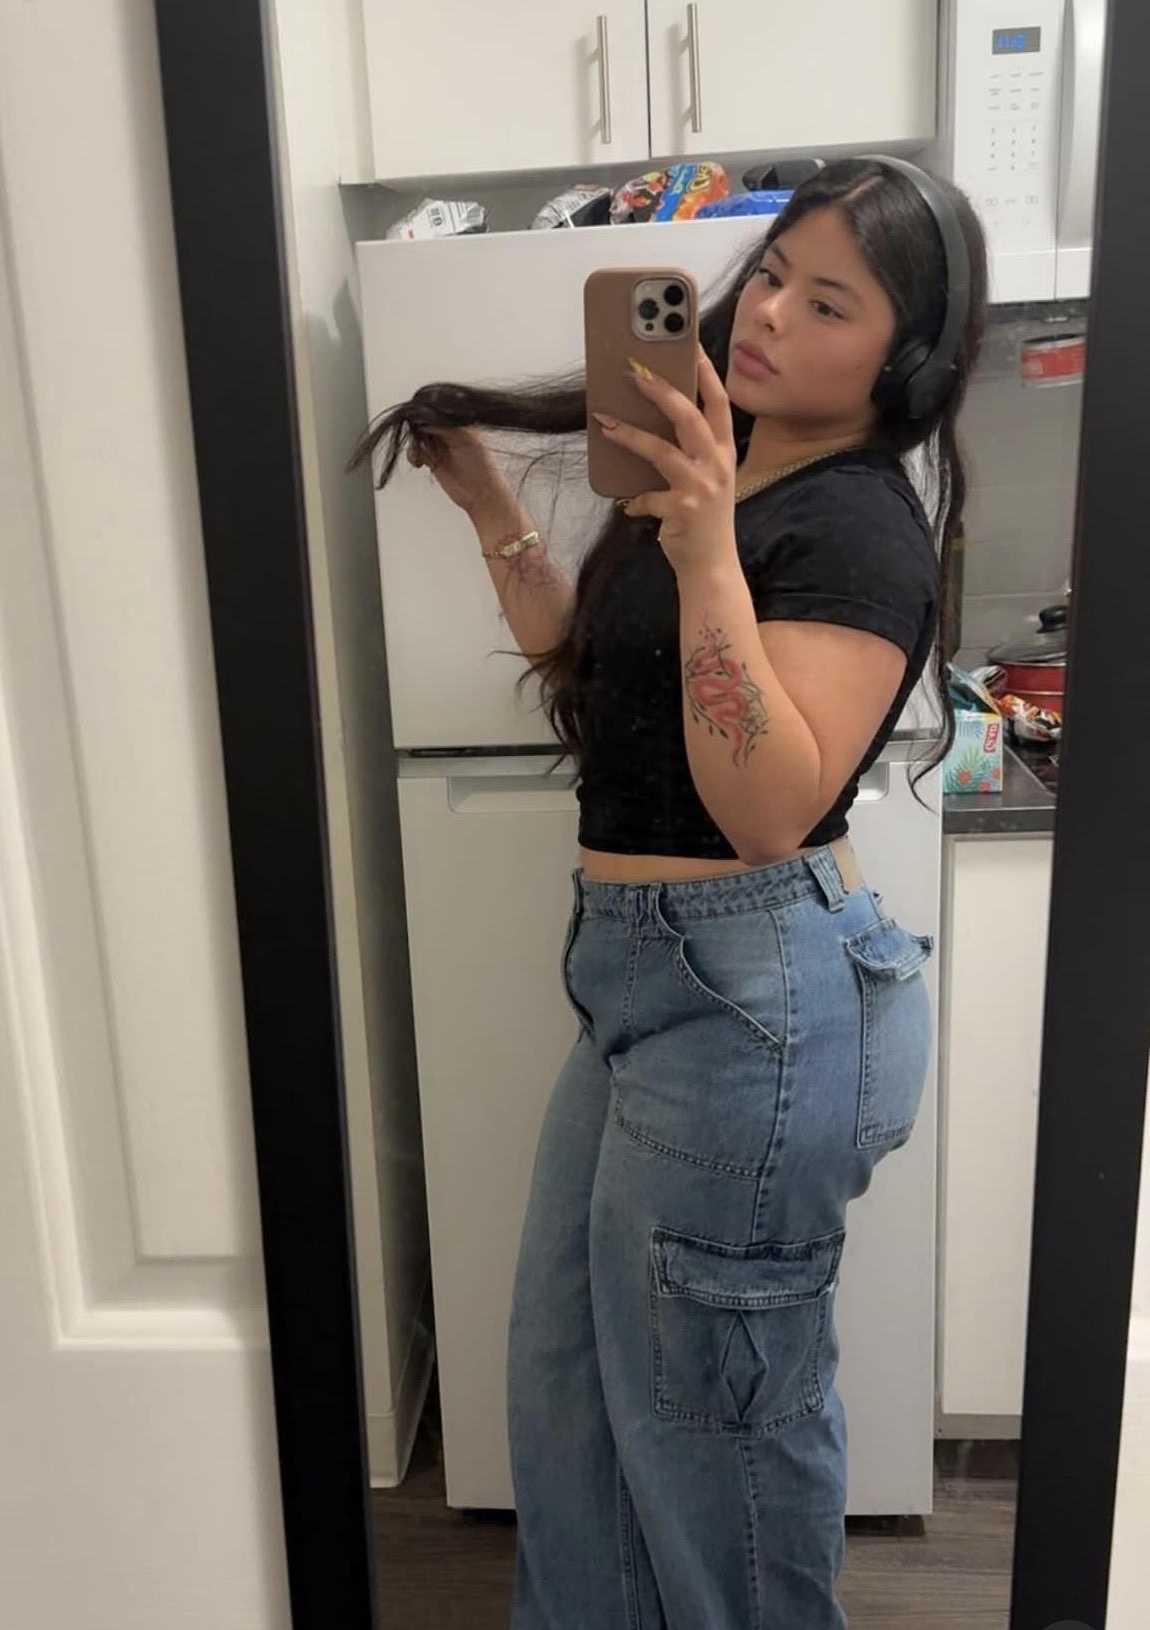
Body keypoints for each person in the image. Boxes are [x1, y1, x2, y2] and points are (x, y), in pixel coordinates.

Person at [352, 157, 988, 1630]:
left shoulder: (854, 528)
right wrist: (492, 506)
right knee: (571, 1382)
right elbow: (598, 673)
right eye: (774, 274)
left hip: (756, 994)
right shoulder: (719, 464)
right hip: (645, 978)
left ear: (906, 362)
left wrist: (707, 554)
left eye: (828, 304)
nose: (766, 314)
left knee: (715, 1433)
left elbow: (764, 809)